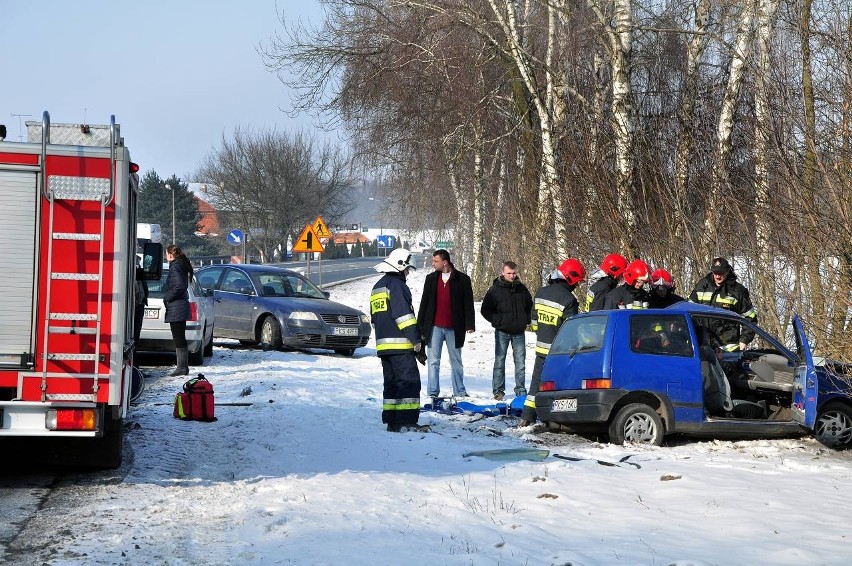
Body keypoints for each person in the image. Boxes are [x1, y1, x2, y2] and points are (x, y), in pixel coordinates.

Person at [519, 258, 585, 427]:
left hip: (541, 349)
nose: (576, 286)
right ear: (570, 279)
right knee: (560, 386)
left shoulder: (541, 292)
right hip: (559, 352)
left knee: (535, 385)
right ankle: (557, 419)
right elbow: (570, 330)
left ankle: (527, 417)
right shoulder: (569, 300)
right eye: (576, 283)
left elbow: (534, 323)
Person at [370, 248, 428, 432]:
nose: (408, 273)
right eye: (407, 270)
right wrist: (416, 341)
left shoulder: (377, 286)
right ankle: (407, 421)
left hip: (383, 346)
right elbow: (404, 316)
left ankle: (392, 421)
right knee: (409, 383)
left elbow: (375, 318)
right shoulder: (397, 286)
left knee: (392, 383)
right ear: (400, 266)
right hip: (400, 345)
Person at [418, 249, 476, 400]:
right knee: (433, 361)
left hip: (454, 328)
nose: (432, 264)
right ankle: (432, 392)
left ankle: (459, 391)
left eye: (435, 261)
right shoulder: (430, 279)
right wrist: (420, 325)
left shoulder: (462, 279)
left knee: (456, 360)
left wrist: (470, 324)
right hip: (434, 327)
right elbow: (424, 303)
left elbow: (468, 303)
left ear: (445, 262)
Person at [480, 261, 533, 400]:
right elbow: (485, 310)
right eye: (509, 273)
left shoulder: (522, 288)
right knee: (499, 361)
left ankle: (521, 391)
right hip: (502, 331)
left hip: (519, 332)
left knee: (520, 363)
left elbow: (530, 307)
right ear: (502, 272)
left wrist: (526, 319)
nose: (512, 276)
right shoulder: (494, 290)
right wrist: (497, 321)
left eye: (514, 273)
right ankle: (498, 391)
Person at [689, 257, 757, 351]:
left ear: (728, 271)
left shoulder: (738, 291)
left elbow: (750, 318)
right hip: (702, 346)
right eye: (715, 273)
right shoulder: (702, 286)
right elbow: (688, 310)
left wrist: (744, 340)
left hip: (728, 348)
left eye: (721, 273)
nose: (718, 276)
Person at [163, 245, 193, 376]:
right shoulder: (181, 264)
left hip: (177, 305)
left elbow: (179, 285)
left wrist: (167, 298)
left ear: (170, 254)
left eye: (166, 254)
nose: (165, 256)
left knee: (178, 337)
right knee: (180, 336)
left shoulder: (175, 266)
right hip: (181, 305)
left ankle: (181, 367)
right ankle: (182, 366)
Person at [133, 257, 149, 346]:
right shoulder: (131, 272)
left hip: (140, 305)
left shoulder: (139, 272)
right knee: (134, 334)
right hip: (134, 306)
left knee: (136, 335)